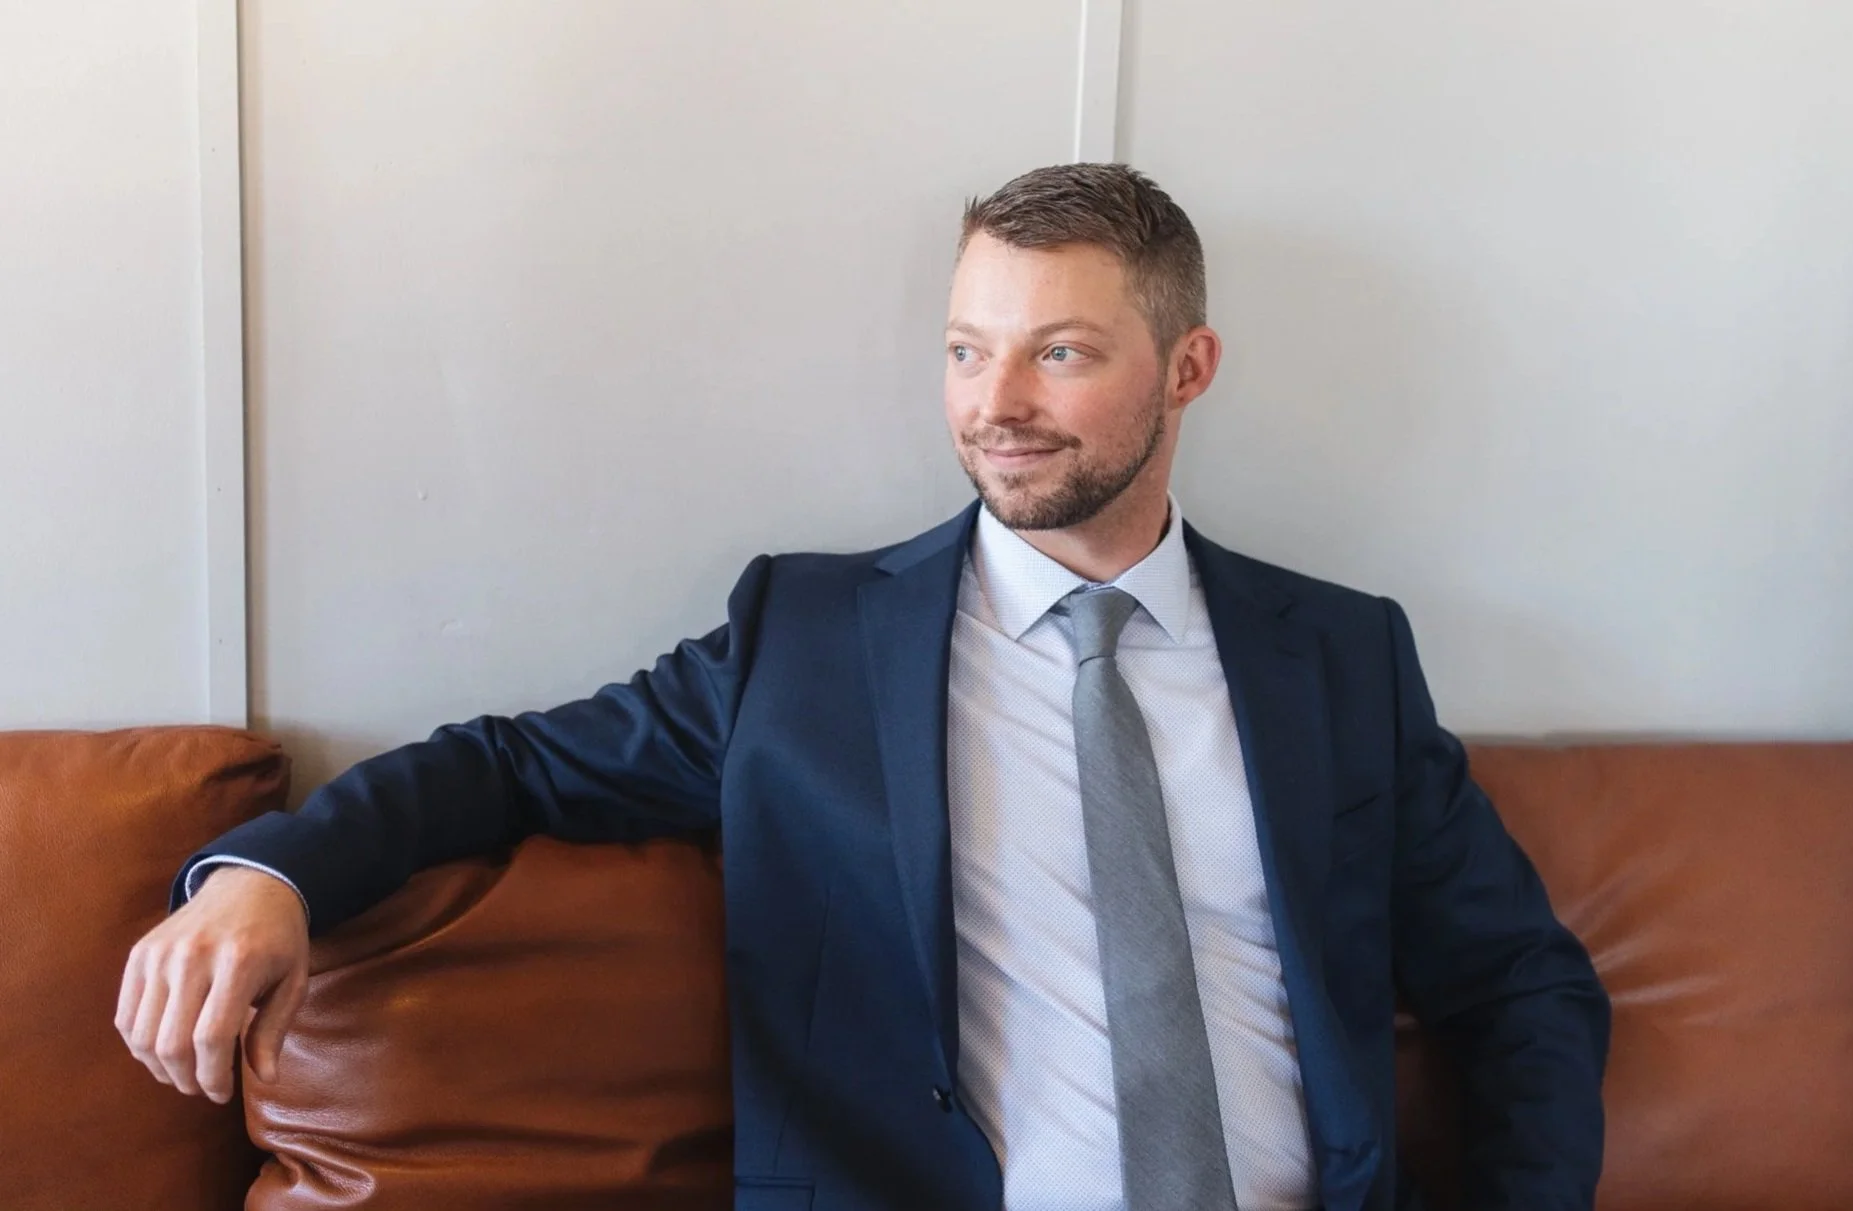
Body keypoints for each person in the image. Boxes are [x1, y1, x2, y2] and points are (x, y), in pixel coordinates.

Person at [116, 163, 1609, 1211]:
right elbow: (510, 764)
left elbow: (1521, 984)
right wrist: (267, 877)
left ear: (1189, 366)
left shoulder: (1337, 656)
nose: (995, 405)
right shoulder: (811, 641)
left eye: (1060, 353)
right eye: (965, 350)